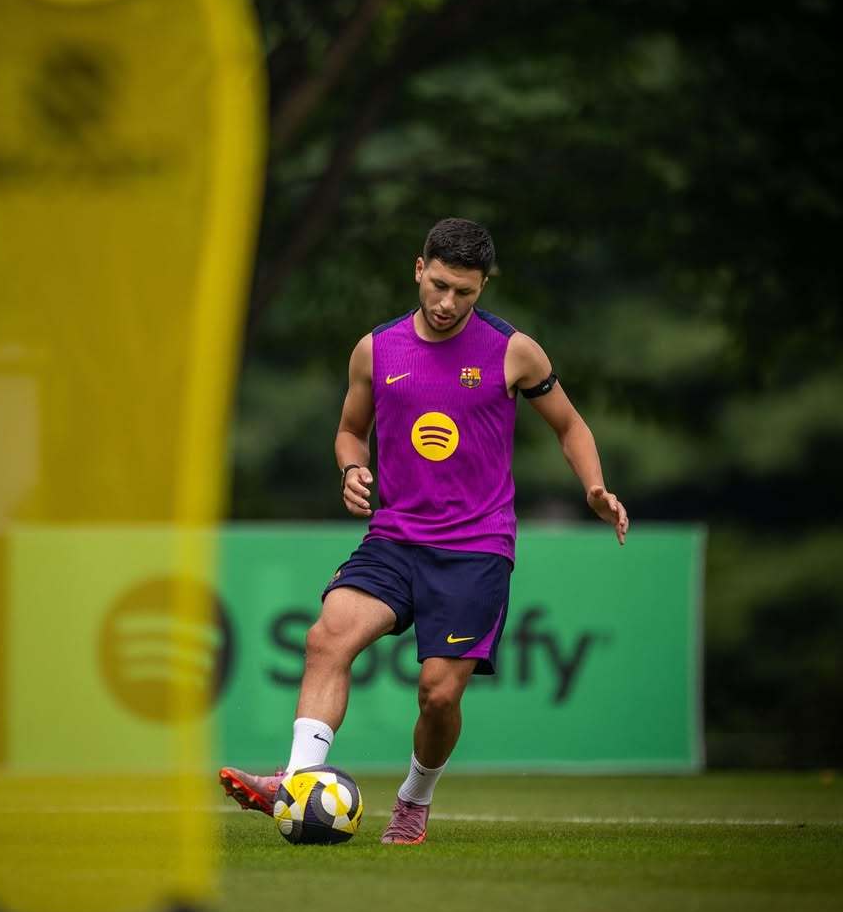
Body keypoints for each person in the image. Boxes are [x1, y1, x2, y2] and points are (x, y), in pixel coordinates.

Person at [220, 218, 628, 844]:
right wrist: (352, 468)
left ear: (483, 286)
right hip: (394, 538)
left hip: (475, 548)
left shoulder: (514, 351)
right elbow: (350, 430)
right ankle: (296, 780)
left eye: (464, 292)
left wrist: (595, 487)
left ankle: (414, 798)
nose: (447, 303)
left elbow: (570, 425)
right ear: (419, 269)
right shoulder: (376, 350)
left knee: (438, 695)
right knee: (328, 637)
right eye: (438, 285)